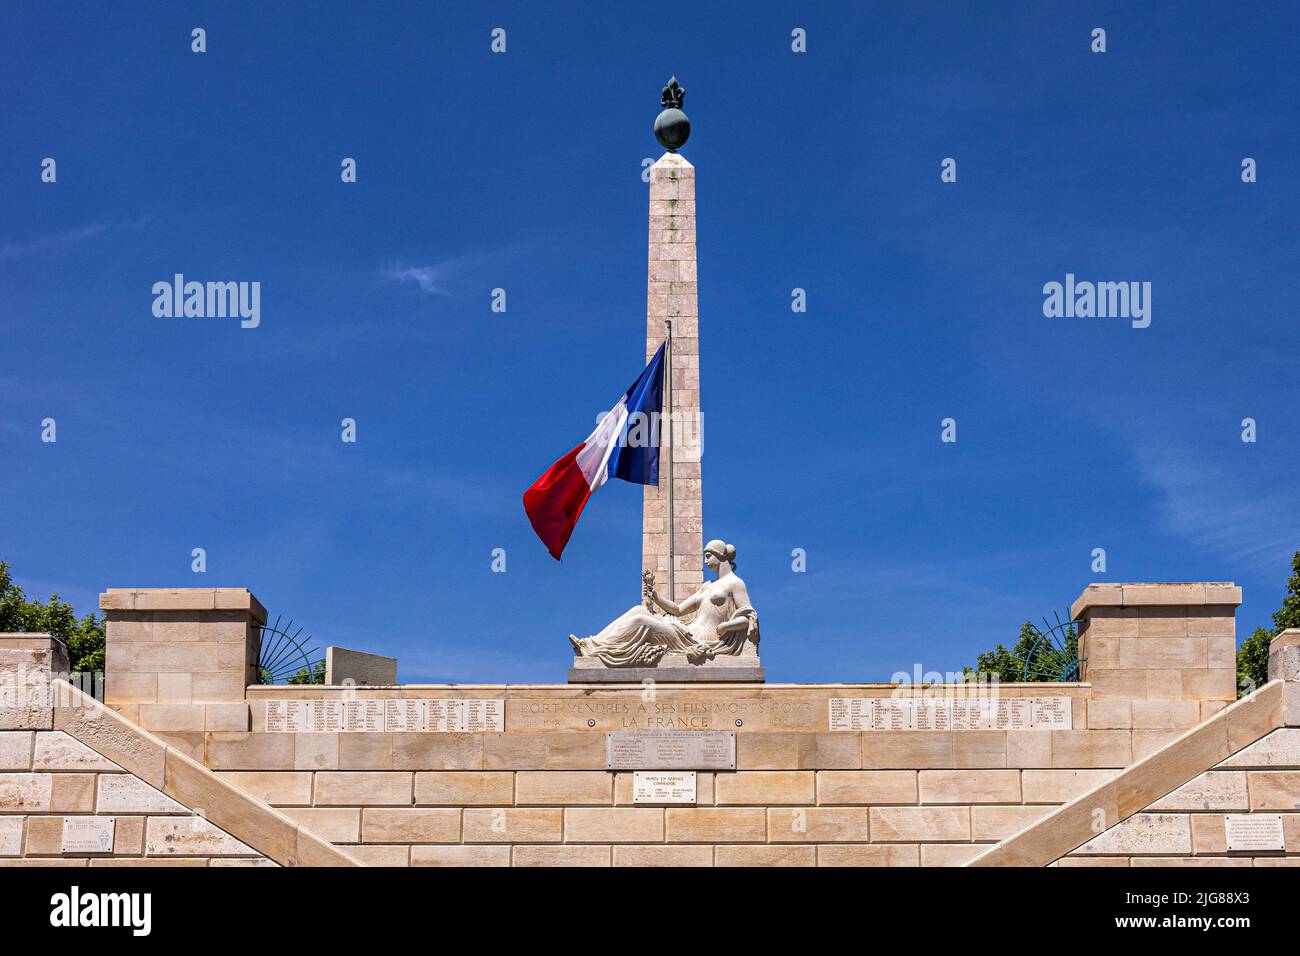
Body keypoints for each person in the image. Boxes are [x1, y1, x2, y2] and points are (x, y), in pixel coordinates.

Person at [569, 539, 759, 666]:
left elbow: (749, 618)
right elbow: (678, 610)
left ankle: (593, 648)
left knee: (641, 621)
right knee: (638, 610)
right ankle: (592, 644)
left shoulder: (735, 583)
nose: (705, 560)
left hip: (701, 639)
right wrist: (656, 597)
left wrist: (726, 626)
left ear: (720, 556)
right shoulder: (706, 586)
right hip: (688, 632)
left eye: (708, 555)